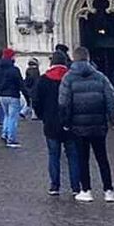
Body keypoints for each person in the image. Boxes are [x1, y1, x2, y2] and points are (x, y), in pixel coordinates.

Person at [58, 45, 114, 203]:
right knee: (102, 158)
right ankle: (108, 191)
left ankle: (86, 190)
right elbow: (111, 98)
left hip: (78, 126)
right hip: (99, 124)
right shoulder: (100, 76)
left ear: (74, 58)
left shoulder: (68, 78)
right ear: (88, 58)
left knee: (82, 158)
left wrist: (65, 122)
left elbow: (64, 103)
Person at [32, 50, 80, 196]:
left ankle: (54, 185)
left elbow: (36, 101)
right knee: (73, 155)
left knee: (54, 155)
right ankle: (75, 186)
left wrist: (42, 116)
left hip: (51, 123)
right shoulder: (73, 78)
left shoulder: (43, 80)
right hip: (70, 123)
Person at [0, 47, 27, 148]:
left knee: (6, 115)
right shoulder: (14, 69)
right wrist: (27, 96)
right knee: (13, 117)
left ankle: (4, 133)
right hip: (13, 95)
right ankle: (11, 139)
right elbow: (20, 83)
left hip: (2, 95)